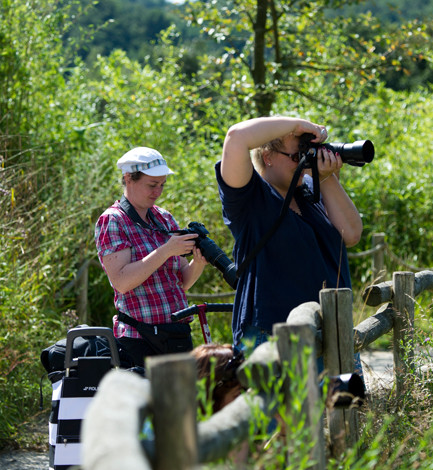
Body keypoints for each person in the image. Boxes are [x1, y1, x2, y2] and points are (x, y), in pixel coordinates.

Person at [215, 116, 363, 349]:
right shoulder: (251, 199)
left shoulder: (309, 194)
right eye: (297, 156)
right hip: (272, 336)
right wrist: (298, 125)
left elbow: (352, 234)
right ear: (268, 157)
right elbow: (236, 137)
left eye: (306, 155)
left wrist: (326, 177)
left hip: (333, 331)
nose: (304, 163)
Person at [95, 146, 207, 367]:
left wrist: (200, 261)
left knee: (182, 402)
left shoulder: (164, 218)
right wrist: (166, 250)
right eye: (152, 185)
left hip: (176, 333)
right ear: (128, 178)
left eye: (162, 185)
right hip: (139, 338)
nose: (158, 191)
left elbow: (182, 282)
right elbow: (122, 282)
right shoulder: (113, 220)